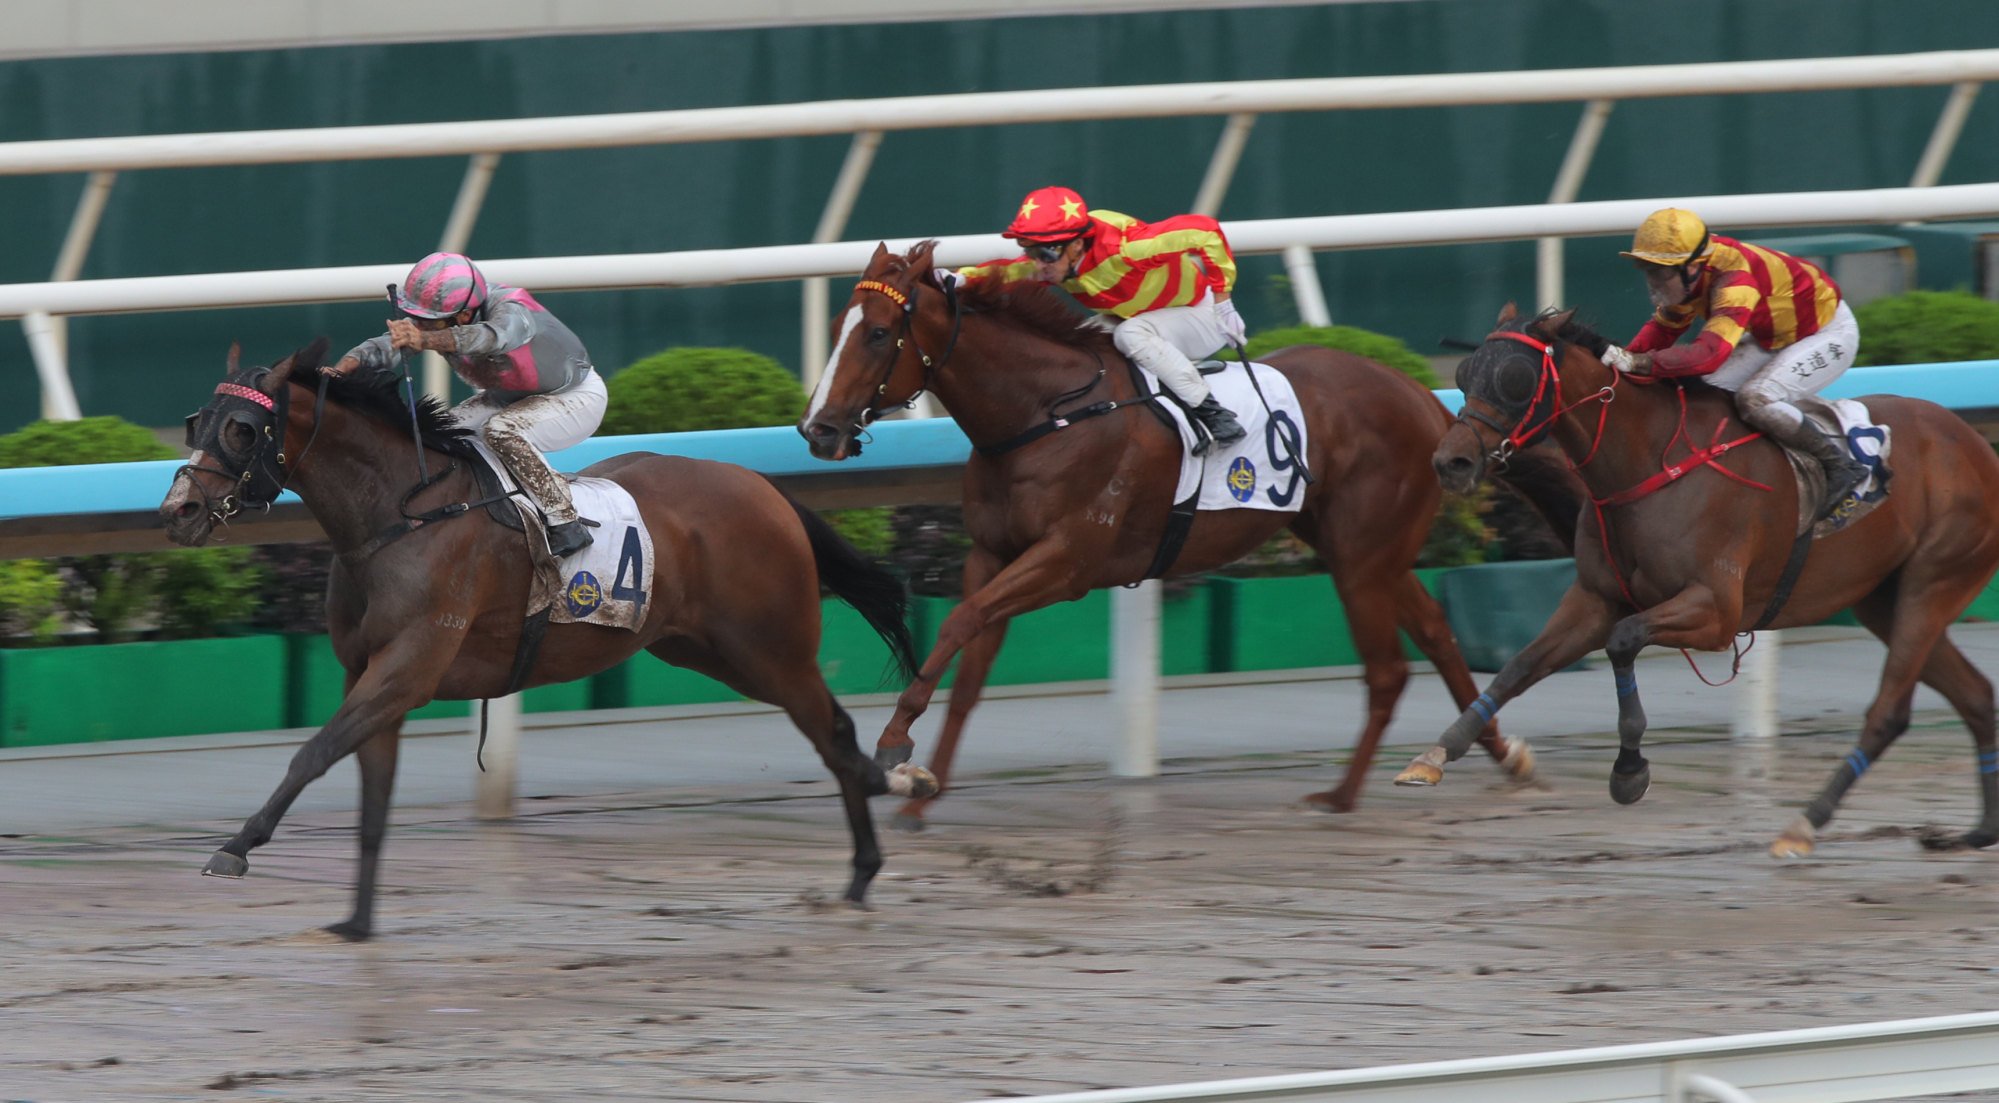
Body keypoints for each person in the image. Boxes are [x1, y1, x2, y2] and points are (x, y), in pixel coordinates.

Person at [329, 252, 606, 557]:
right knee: (440, 434)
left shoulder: (512, 307)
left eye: (427, 321)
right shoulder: (445, 315)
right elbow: (387, 345)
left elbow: (491, 337)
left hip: (574, 396)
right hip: (508, 398)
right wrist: (342, 369)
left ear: (463, 315)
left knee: (501, 431)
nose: (419, 325)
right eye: (417, 318)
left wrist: (425, 340)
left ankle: (566, 521)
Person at [1601, 208, 1869, 519]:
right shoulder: (1693, 274)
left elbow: (1708, 355)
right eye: (1647, 270)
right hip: (1771, 334)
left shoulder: (1735, 282)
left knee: (1754, 399)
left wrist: (1637, 362)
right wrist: (1616, 365)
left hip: (1827, 332)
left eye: (1660, 272)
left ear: (1693, 267)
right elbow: (1664, 330)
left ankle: (1840, 466)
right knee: (1701, 396)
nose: (1653, 282)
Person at [951, 185, 1248, 454]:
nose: (1038, 263)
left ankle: (1215, 416)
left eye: (1046, 253)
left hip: (1202, 315)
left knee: (1131, 335)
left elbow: (1206, 232)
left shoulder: (1129, 249)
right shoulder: (1055, 262)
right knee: (1080, 344)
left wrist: (1223, 300)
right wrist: (956, 280)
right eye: (1030, 251)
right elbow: (1007, 272)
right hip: (1143, 317)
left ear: (1077, 245)